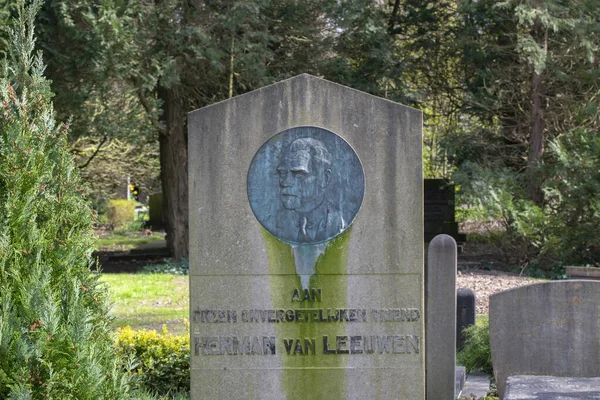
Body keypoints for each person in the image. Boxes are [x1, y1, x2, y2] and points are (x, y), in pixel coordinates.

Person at [275, 137, 345, 243]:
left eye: (298, 174)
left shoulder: (339, 221)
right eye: (283, 173)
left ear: (325, 178)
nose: (284, 182)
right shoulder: (273, 220)